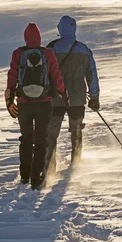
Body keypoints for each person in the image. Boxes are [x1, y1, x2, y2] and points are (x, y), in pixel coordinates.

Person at [5, 23, 67, 190]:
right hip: (44, 103)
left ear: (25, 38)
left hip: (24, 105)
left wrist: (9, 100)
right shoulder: (47, 54)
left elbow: (12, 77)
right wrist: (63, 93)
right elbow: (56, 75)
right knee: (41, 141)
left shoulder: (18, 54)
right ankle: (37, 177)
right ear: (40, 38)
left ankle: (24, 175)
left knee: (26, 139)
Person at [44, 16, 100, 178]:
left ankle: (49, 167)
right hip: (77, 99)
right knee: (76, 130)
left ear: (60, 29)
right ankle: (76, 165)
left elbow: (45, 74)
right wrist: (94, 97)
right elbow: (92, 75)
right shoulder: (84, 50)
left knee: (52, 133)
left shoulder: (52, 49)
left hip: (56, 99)